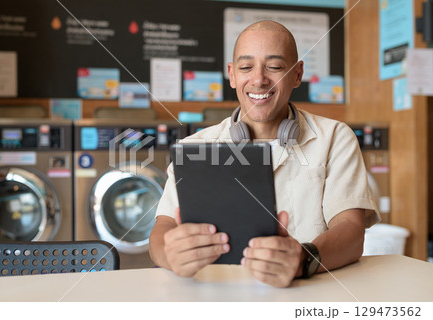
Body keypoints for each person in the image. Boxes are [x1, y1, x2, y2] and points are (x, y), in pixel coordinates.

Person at [149, 20, 379, 288]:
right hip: (215, 294)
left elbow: (351, 231)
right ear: (232, 75)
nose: (258, 79)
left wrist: (303, 260)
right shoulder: (194, 146)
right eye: (246, 67)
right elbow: (161, 230)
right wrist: (170, 253)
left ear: (297, 73)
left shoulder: (335, 137)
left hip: (308, 293)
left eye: (275, 67)